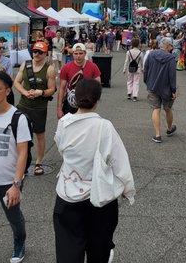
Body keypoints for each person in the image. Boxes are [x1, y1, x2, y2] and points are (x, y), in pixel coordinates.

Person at [53, 78, 135, 263]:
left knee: (68, 246)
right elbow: (119, 160)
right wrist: (127, 190)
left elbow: (61, 148)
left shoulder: (64, 123)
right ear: (97, 100)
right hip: (99, 197)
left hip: (67, 194)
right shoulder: (104, 126)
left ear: (75, 97)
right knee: (99, 247)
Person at [0, 71, 31, 263]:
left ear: (8, 90)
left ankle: (20, 242)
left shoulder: (18, 118)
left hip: (8, 181)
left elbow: (23, 152)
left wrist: (16, 184)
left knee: (14, 218)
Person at [14, 41, 56, 176]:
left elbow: (52, 89)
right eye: (35, 51)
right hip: (23, 105)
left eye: (40, 52)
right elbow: (16, 82)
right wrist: (25, 92)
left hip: (39, 107)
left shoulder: (49, 68)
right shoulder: (25, 65)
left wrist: (41, 92)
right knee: (19, 134)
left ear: (45, 54)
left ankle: (38, 162)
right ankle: (20, 160)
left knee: (39, 135)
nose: (36, 54)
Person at [144, 37, 177, 143]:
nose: (172, 48)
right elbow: (172, 76)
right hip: (166, 88)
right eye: (171, 45)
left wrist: (147, 81)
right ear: (167, 46)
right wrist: (173, 90)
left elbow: (146, 69)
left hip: (153, 86)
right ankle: (169, 128)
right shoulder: (171, 58)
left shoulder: (151, 54)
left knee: (156, 109)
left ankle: (157, 135)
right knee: (167, 108)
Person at [57, 43, 101, 118]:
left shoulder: (93, 67)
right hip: (70, 101)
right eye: (76, 53)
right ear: (72, 54)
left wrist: (94, 103)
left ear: (85, 53)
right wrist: (59, 108)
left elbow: (97, 86)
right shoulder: (66, 67)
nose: (78, 56)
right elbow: (62, 88)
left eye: (81, 53)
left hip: (87, 102)